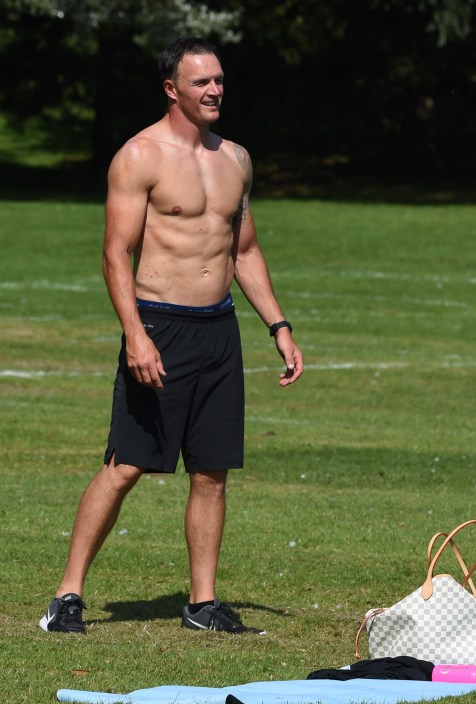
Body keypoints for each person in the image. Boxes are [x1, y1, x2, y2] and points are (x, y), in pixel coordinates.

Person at [39, 37, 304, 635]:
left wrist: (279, 326)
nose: (214, 90)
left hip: (219, 332)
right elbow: (115, 253)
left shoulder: (235, 158)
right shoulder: (139, 157)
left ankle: (202, 604)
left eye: (218, 80)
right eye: (200, 82)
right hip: (159, 326)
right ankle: (68, 595)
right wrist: (135, 334)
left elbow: (245, 250)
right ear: (171, 89)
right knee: (126, 464)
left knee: (211, 471)